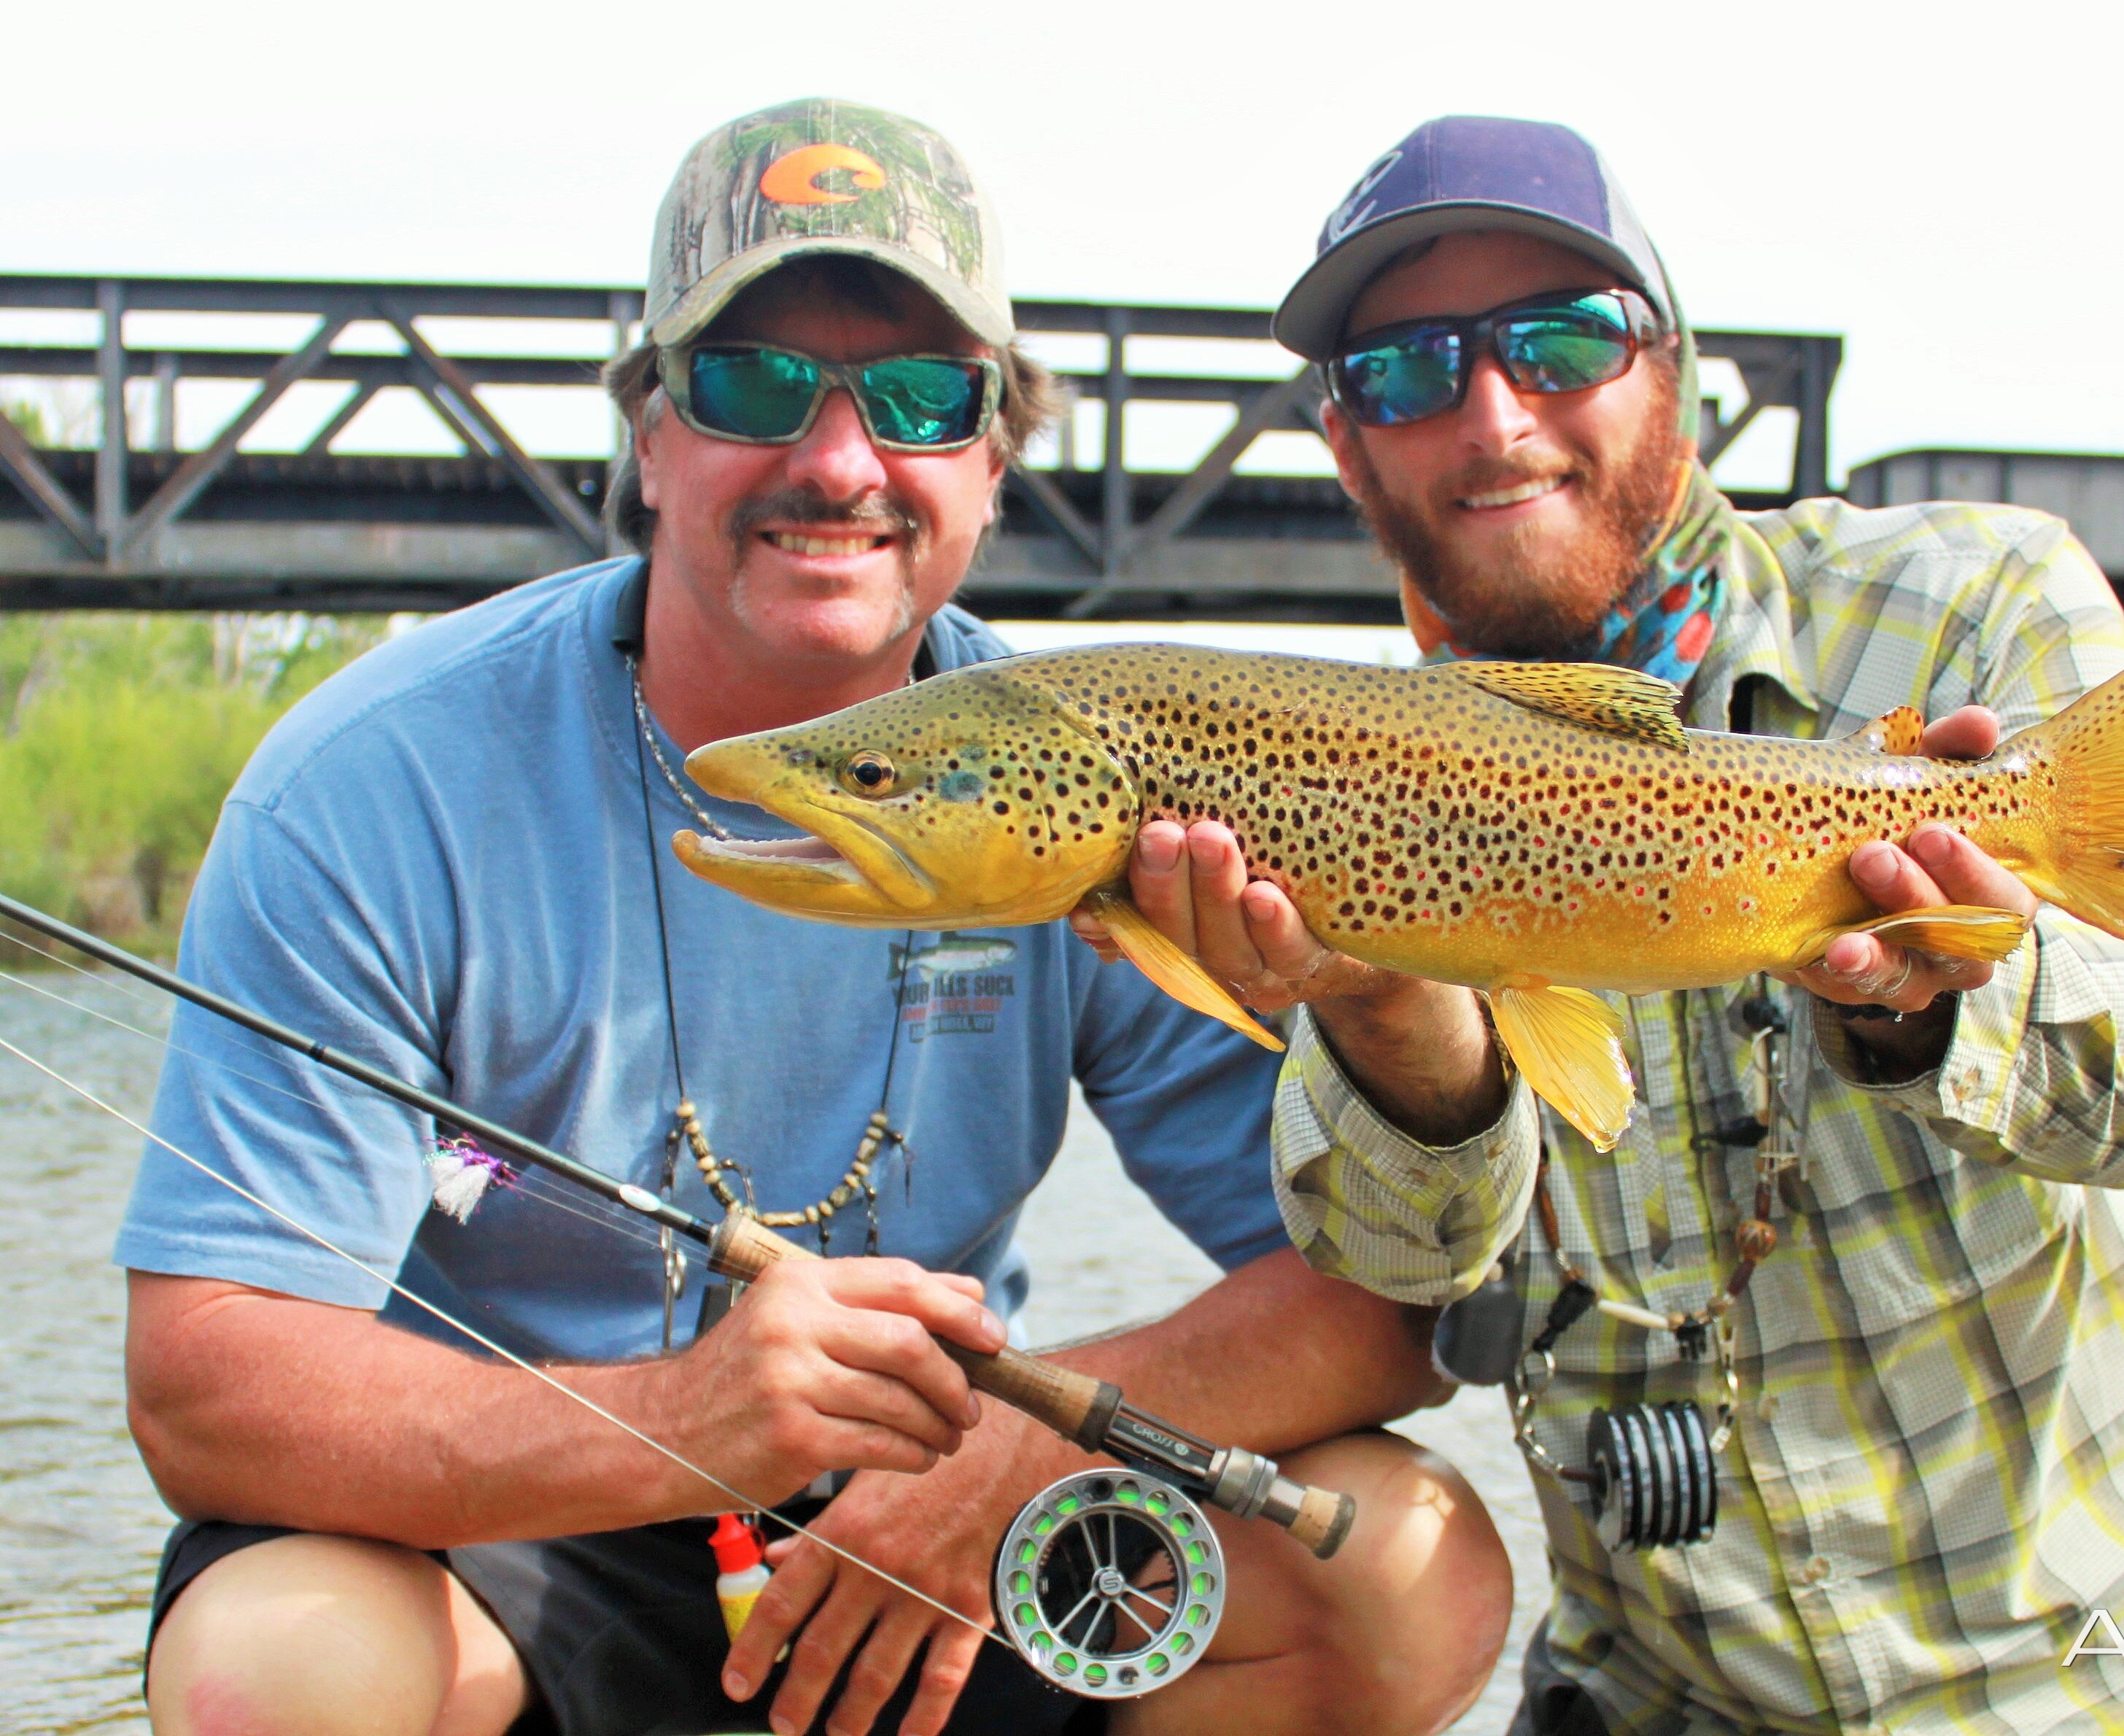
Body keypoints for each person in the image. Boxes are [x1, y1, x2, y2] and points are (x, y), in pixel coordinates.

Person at [118, 99, 1508, 1736]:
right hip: (509, 1536)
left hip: (939, 1516)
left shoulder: (1110, 781)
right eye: (754, 382)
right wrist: (688, 1421)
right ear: (649, 434)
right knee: (273, 1661)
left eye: (922, 396)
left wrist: (1020, 1448)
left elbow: (1397, 1293)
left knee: (1408, 1574)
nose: (838, 460)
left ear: (991, 459)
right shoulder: (374, 784)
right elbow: (205, 1382)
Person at [1086, 115, 2124, 1733]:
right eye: (1406, 371)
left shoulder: (1967, 599)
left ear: (1675, 369)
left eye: (1560, 341)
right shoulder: (1335, 788)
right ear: (1346, 441)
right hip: (1666, 1695)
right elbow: (1401, 1265)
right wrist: (1394, 1019)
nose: (1493, 416)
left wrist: (1927, 1001)